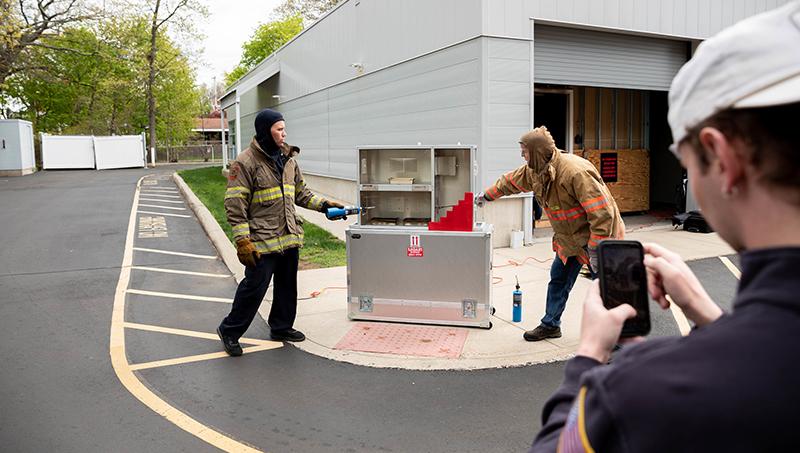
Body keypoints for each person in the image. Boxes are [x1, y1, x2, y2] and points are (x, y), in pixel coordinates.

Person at [530, 2, 800, 451]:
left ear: (723, 158)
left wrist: (590, 356)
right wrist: (708, 316)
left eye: (688, 159)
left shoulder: (644, 392)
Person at [475, 126, 624, 341]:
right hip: (569, 239)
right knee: (558, 281)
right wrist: (487, 196)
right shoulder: (535, 171)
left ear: (536, 152)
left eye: (525, 152)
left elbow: (602, 214)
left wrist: (596, 248)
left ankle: (620, 339)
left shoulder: (575, 172)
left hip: (599, 237)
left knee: (607, 289)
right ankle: (551, 325)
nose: (522, 156)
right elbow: (510, 182)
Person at [217, 108, 343, 356]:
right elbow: (235, 204)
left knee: (287, 286)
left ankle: (281, 326)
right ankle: (230, 330)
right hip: (261, 241)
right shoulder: (245, 162)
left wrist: (325, 206)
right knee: (254, 288)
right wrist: (243, 241)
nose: (284, 134)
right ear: (266, 131)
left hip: (288, 236)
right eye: (279, 129)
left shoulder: (289, 160)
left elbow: (301, 194)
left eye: (284, 128)